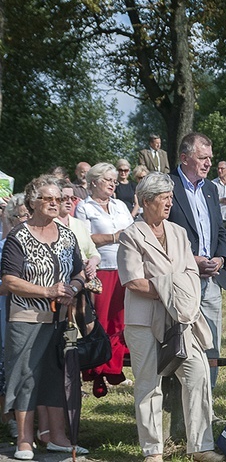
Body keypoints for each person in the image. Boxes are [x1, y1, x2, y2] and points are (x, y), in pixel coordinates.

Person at [118, 173, 226, 462]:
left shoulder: (178, 233)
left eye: (170, 196)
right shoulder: (131, 234)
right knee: (148, 384)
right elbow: (133, 282)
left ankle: (201, 447)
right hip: (143, 320)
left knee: (198, 376)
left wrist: (171, 287)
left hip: (181, 319)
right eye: (164, 197)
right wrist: (172, 286)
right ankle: (153, 451)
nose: (169, 202)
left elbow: (190, 276)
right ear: (146, 201)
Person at [1, 175, 88, 459]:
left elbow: (79, 272)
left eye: (59, 199)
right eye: (48, 199)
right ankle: (24, 440)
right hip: (26, 318)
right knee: (26, 377)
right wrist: (47, 291)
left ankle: (58, 437)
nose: (55, 204)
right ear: (32, 202)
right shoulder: (19, 236)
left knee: (57, 377)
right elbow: (9, 281)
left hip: (62, 320)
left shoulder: (67, 235)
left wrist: (73, 288)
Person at [168, 132, 226, 390]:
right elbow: (160, 236)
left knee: (211, 344)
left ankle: (208, 405)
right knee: (180, 345)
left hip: (211, 280)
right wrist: (190, 260)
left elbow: (219, 231)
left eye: (210, 158)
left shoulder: (210, 188)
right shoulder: (168, 186)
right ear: (184, 158)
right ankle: (179, 408)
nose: (208, 164)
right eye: (202, 158)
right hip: (180, 280)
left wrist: (220, 258)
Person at [75, 162, 134, 396]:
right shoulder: (84, 208)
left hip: (124, 268)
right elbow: (85, 238)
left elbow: (133, 232)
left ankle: (115, 367)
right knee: (101, 319)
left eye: (114, 180)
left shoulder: (120, 205)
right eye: (108, 179)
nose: (113, 183)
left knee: (120, 319)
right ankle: (97, 370)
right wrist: (113, 237)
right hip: (101, 270)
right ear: (94, 182)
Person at [0, 195, 29, 439]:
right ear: (10, 219)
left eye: (29, 214)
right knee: (6, 365)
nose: (26, 219)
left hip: (34, 315)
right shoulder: (3, 246)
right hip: (6, 315)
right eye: (21, 215)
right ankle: (8, 418)